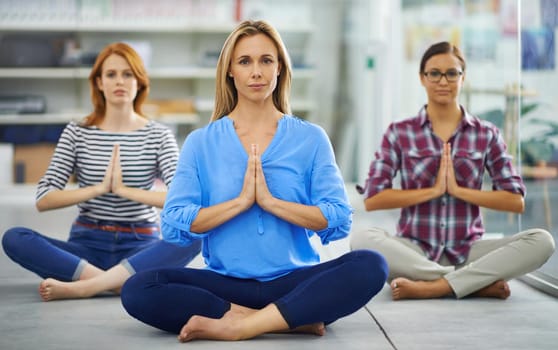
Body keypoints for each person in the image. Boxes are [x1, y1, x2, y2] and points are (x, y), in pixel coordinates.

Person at [120, 20, 388, 342]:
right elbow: (175, 222)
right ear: (230, 71)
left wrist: (273, 203)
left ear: (280, 69)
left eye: (266, 60)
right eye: (245, 61)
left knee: (371, 264)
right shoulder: (200, 142)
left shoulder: (311, 138)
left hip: (296, 280)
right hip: (226, 283)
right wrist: (240, 202)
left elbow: (338, 219)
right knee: (139, 288)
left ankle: (242, 326)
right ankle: (285, 319)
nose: (256, 72)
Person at [350, 41, 555, 301]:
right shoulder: (400, 132)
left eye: (452, 73)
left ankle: (435, 286)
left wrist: (459, 191)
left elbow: (516, 201)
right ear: (422, 78)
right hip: (414, 251)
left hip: (469, 252)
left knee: (542, 241)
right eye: (434, 73)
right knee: (361, 239)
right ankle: (470, 283)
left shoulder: (486, 133)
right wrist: (432, 191)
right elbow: (373, 199)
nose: (443, 81)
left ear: (463, 77)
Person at [2, 42, 201, 301]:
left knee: (196, 233)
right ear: (98, 82)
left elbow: (182, 200)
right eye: (111, 74)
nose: (120, 81)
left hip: (139, 246)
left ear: (139, 82)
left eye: (127, 74)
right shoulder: (77, 132)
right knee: (14, 237)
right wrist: (99, 189)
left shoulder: (159, 135)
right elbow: (44, 198)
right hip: (86, 246)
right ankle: (116, 283)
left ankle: (86, 286)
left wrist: (123, 191)